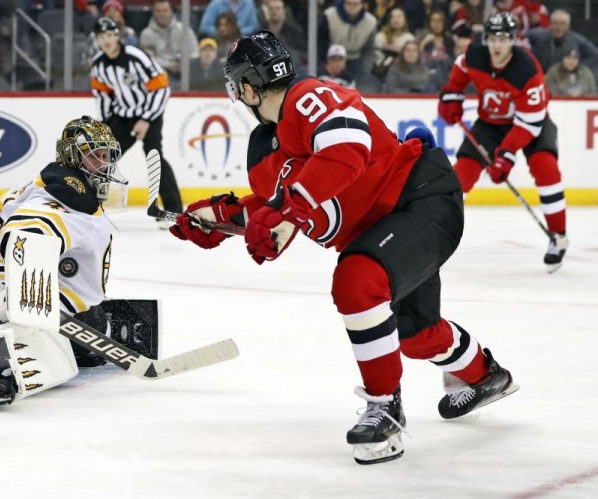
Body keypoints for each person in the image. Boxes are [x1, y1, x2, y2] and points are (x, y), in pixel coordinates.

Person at [170, 30, 519, 464]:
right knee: (414, 335)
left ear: (247, 85)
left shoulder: (307, 97)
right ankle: (488, 376)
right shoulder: (265, 148)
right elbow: (278, 213)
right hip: (385, 229)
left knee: (357, 279)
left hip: (420, 197)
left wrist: (287, 210)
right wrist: (219, 220)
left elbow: (347, 149)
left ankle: (385, 409)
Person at [0, 116, 137, 408]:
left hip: (31, 289)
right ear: (72, 156)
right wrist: (20, 297)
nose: (103, 165)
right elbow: (25, 229)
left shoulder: (58, 184)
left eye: (106, 156)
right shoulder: (63, 201)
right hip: (0, 294)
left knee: (91, 335)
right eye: (94, 156)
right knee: (20, 337)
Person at [438, 12, 569, 271]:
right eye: (492, 39)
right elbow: (460, 71)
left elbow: (529, 123)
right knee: (460, 175)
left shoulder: (527, 72)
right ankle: (434, 233)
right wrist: (451, 95)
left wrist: (506, 155)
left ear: (513, 41)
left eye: (503, 39)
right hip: (490, 124)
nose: (497, 45)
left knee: (546, 168)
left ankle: (558, 236)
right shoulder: (475, 55)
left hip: (532, 124)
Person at [90, 16, 183, 215]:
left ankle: (172, 210)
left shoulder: (136, 57)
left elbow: (161, 88)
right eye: (101, 36)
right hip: (122, 116)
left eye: (109, 35)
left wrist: (146, 119)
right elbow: (103, 95)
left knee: (153, 156)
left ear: (117, 36)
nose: (106, 40)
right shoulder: (99, 64)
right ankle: (92, 207)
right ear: (96, 40)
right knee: (103, 157)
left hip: (149, 112)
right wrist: (104, 125)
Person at [139, 0, 199, 90]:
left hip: (184, 75)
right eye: (158, 11)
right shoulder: (146, 34)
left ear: (171, 11)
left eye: (165, 11)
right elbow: (146, 60)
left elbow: (196, 52)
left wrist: (184, 62)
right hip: (157, 77)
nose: (161, 14)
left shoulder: (184, 30)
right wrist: (169, 65)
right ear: (153, 13)